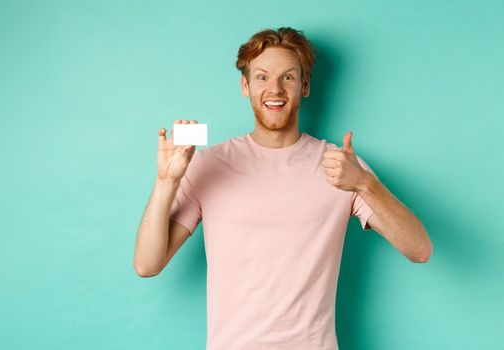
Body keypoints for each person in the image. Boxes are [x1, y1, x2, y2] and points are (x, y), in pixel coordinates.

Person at [132, 27, 433, 350]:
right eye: (261, 77)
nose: (274, 89)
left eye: (287, 77)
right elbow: (147, 265)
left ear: (304, 86)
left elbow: (419, 249)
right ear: (245, 86)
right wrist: (166, 181)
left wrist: (363, 183)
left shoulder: (342, 166)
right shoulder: (208, 164)